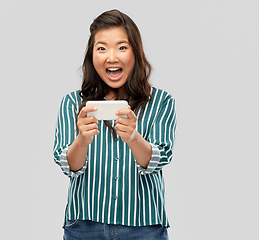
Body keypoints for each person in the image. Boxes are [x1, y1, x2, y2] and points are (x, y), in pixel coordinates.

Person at [53, 9, 176, 240]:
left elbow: (160, 159)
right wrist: (82, 140)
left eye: (122, 47)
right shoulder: (73, 103)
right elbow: (69, 166)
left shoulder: (161, 101)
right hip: (84, 225)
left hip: (144, 226)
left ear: (135, 53)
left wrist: (133, 138)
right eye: (102, 48)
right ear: (92, 55)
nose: (112, 57)